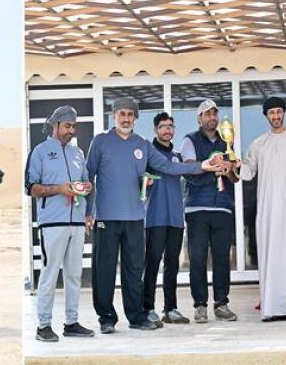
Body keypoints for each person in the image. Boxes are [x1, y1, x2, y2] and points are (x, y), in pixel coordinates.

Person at [86, 97, 226, 334]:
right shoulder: (100, 142)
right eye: (122, 114)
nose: (126, 118)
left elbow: (169, 167)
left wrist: (203, 166)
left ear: (136, 118)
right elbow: (88, 176)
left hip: (135, 218)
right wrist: (88, 211)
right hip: (105, 218)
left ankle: (136, 316)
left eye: (131, 114)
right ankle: (106, 318)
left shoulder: (142, 144)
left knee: (133, 270)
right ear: (114, 116)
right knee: (105, 269)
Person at [234, 96, 286, 322]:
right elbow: (249, 172)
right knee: (272, 255)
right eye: (271, 113)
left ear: (284, 113)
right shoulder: (259, 143)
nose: (276, 116)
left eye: (279, 112)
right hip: (268, 209)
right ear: (266, 116)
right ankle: (272, 308)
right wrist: (235, 163)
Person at [25, 105, 95, 342]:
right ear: (54, 126)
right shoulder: (40, 152)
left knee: (74, 275)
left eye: (73, 126)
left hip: (76, 223)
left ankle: (71, 323)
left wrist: (86, 190)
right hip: (52, 223)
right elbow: (31, 188)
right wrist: (58, 189)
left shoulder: (78, 154)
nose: (71, 130)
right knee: (49, 274)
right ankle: (43, 326)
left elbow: (86, 182)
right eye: (67, 126)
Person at [180, 99, 238, 323]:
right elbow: (188, 170)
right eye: (207, 114)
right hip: (197, 209)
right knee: (198, 259)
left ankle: (221, 304)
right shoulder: (190, 140)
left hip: (223, 207)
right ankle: (200, 305)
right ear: (199, 118)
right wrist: (212, 169)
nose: (212, 117)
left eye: (214, 113)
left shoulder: (227, 141)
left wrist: (229, 170)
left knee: (223, 259)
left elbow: (235, 178)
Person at [142, 112, 190, 326]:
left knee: (173, 264)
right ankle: (148, 308)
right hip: (155, 217)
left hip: (176, 218)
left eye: (170, 126)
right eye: (163, 126)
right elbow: (138, 182)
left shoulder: (178, 156)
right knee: (152, 264)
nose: (167, 130)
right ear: (155, 130)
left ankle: (170, 309)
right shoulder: (148, 155)